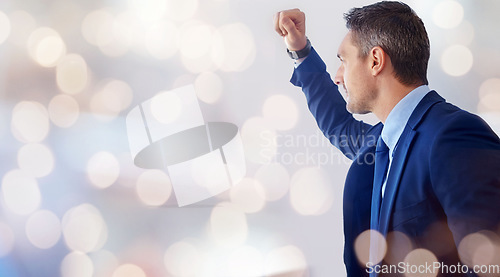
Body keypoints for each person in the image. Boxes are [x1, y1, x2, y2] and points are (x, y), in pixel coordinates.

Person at [274, 2, 500, 276]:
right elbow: (338, 125)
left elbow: (488, 262)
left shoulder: (452, 135)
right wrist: (301, 51)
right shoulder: (381, 143)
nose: (338, 76)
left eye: (343, 61)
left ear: (376, 60)